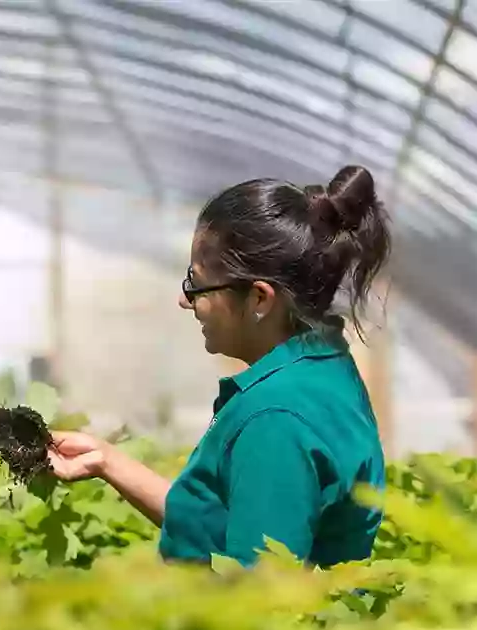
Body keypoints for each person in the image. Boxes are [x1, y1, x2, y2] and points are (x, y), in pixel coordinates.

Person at [46, 165, 391, 568]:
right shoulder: (324, 369)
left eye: (197, 284)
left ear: (260, 299)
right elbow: (224, 526)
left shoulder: (276, 418)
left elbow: (258, 596)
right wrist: (106, 461)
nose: (184, 300)